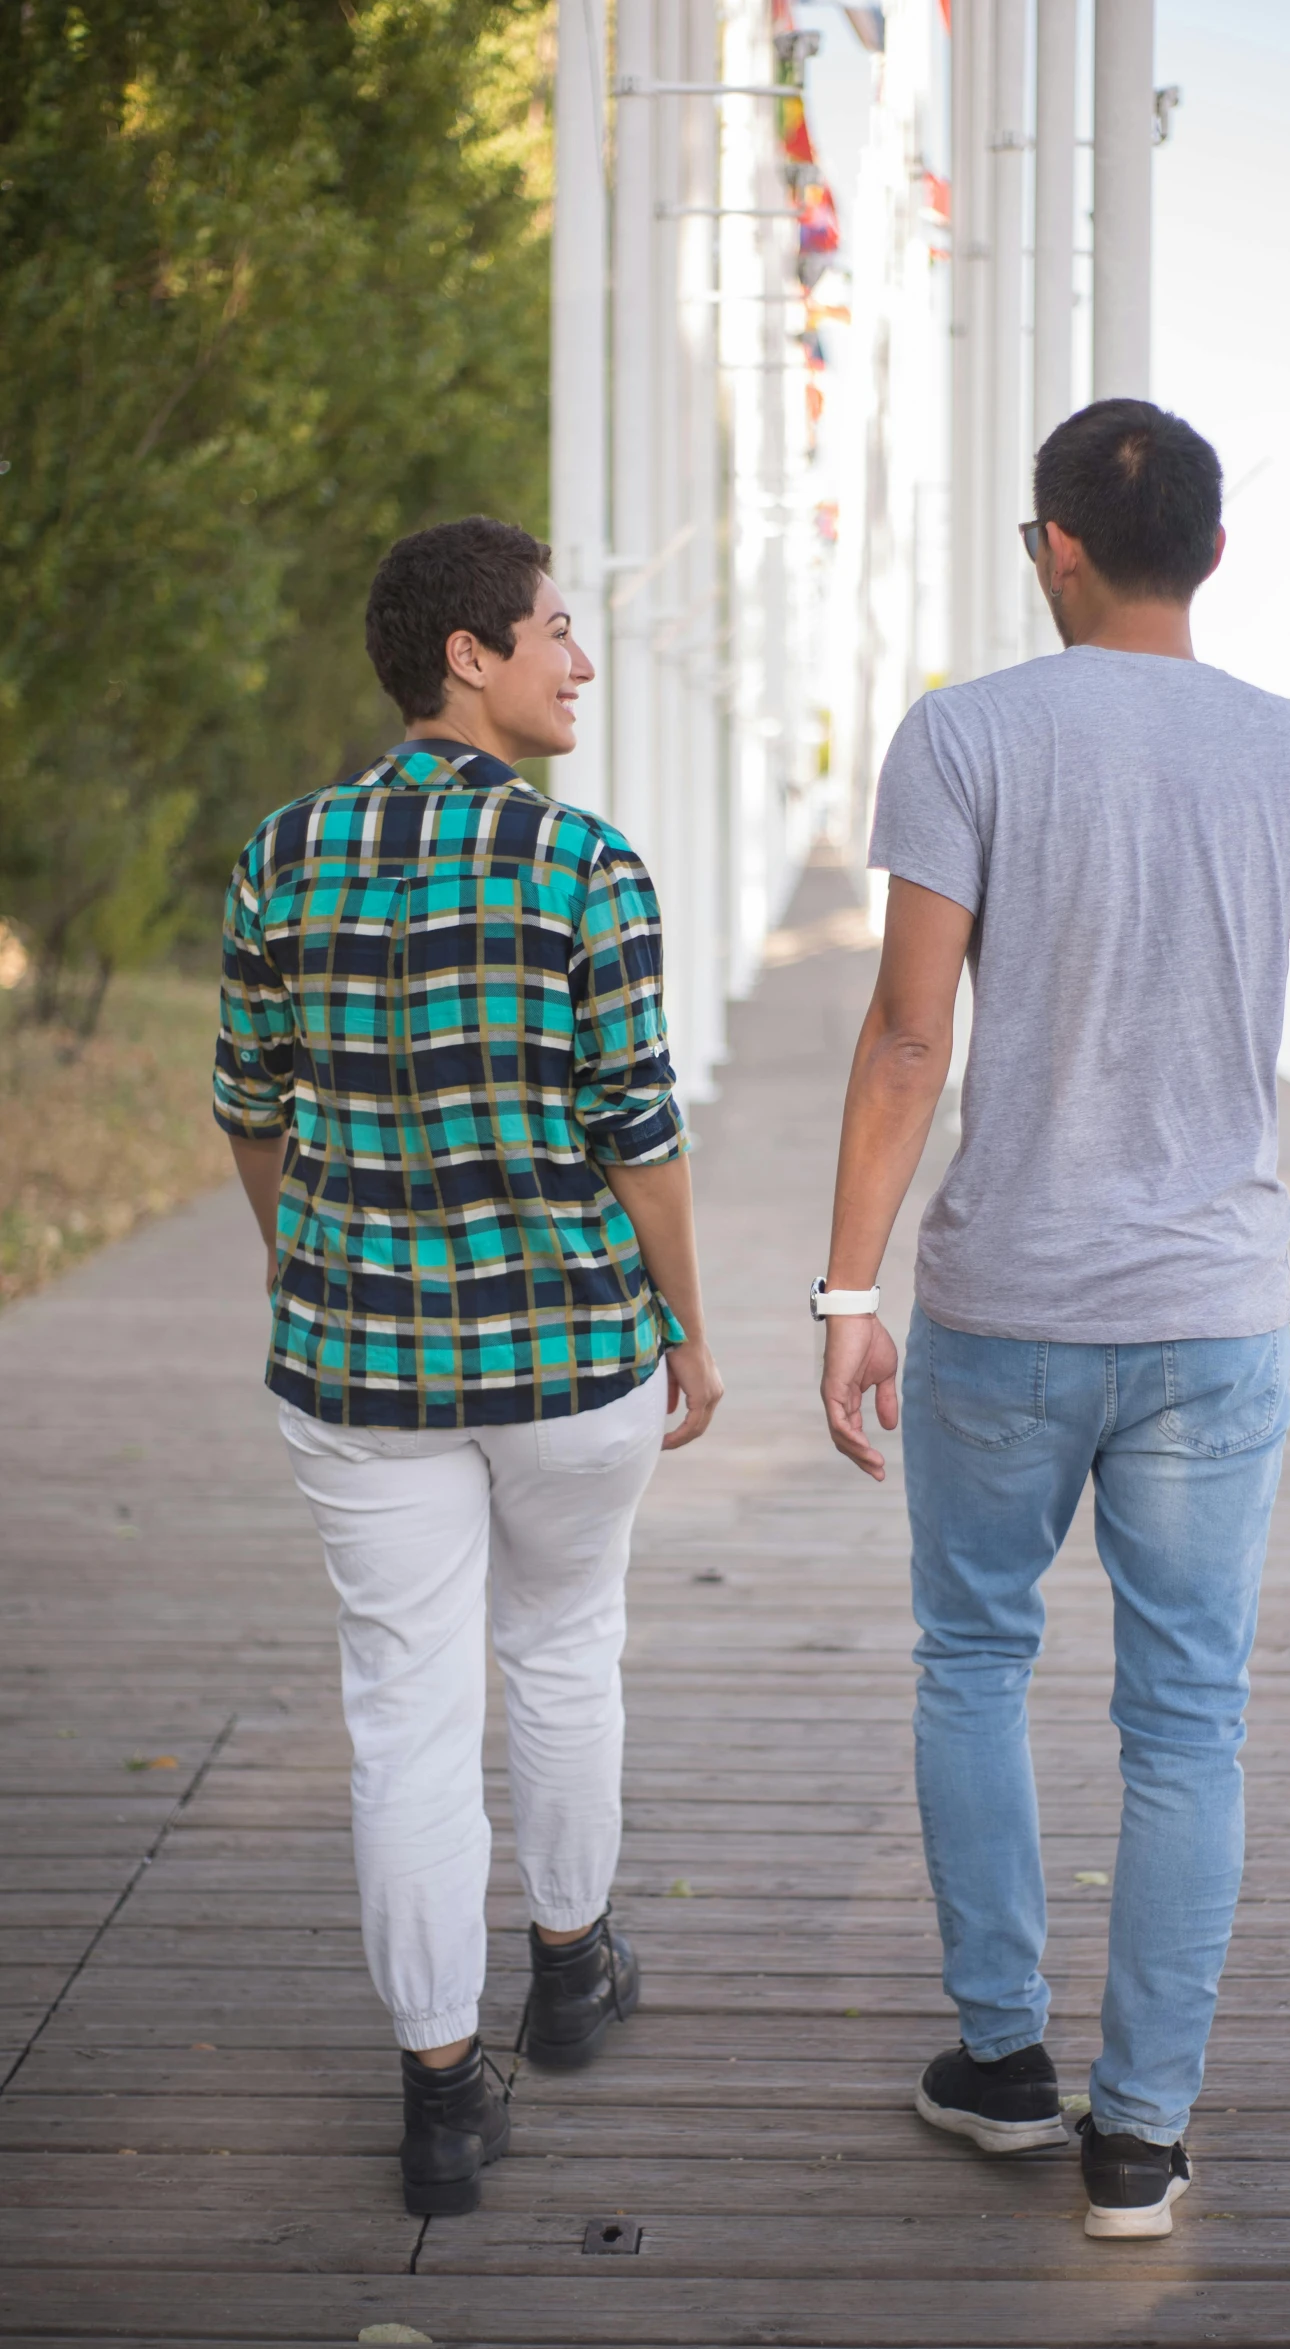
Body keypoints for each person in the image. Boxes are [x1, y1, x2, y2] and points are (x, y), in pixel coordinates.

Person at [814, 400, 1290, 2240]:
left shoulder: (967, 734)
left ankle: (1003, 2061)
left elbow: (912, 1033)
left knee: (974, 1662)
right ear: (1211, 557)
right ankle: (1138, 2140)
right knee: (1189, 1727)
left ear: (1053, 546)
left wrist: (850, 1289)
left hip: (1003, 1302)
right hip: (1211, 1317)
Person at [213, 516, 723, 2218]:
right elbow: (640, 1136)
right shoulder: (587, 867)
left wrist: (311, 1263)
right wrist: (693, 1329)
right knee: (567, 1647)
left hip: (356, 1369)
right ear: (470, 657)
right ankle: (570, 1974)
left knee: (403, 1716)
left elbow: (250, 1105)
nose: (580, 662)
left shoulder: (284, 856)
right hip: (573, 1354)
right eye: (558, 631)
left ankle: (441, 2099)